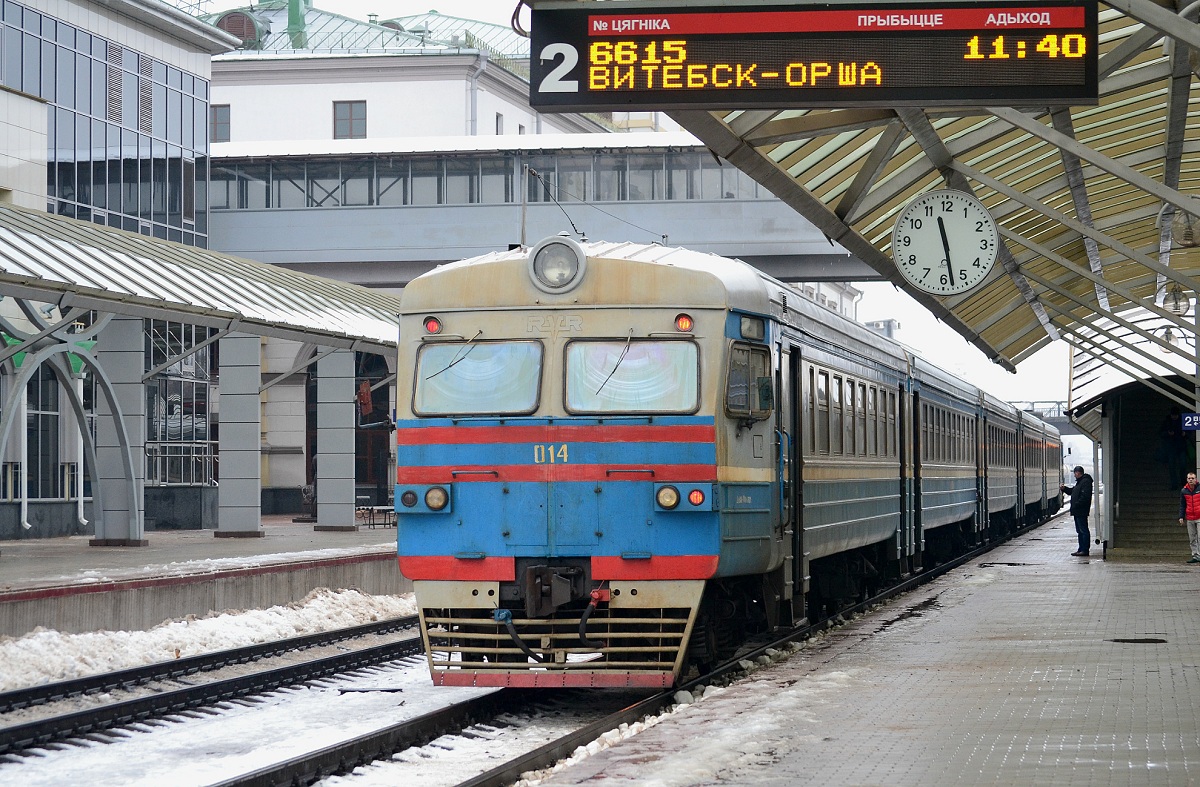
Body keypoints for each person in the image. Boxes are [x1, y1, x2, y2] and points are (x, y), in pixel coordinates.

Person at [1060, 465, 1094, 557]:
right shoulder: (1080, 482)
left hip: (1081, 510)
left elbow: (1085, 497)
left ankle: (1084, 550)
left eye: (1075, 473)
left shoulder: (1085, 482)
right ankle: (1081, 549)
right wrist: (1065, 489)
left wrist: (1076, 505)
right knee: (1080, 531)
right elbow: (1073, 491)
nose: (1074, 475)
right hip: (1078, 511)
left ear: (1078, 473)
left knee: (1083, 530)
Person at [1179, 472, 1200, 564]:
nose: (1191, 480)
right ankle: (1195, 555)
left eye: (1192, 478)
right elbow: (1182, 505)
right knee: (1192, 538)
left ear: (1196, 479)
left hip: (1199, 516)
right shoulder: (1184, 491)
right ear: (1187, 479)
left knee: (1199, 537)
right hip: (1190, 517)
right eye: (1189, 478)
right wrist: (1181, 516)